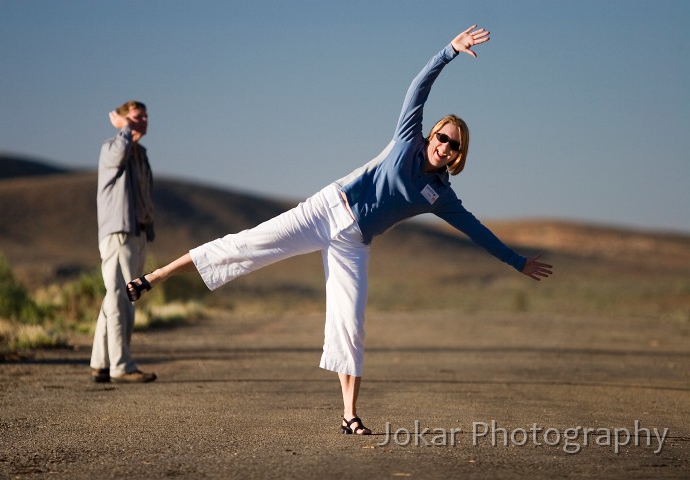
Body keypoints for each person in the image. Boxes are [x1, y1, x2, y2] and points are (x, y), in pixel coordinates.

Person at [126, 25, 553, 431]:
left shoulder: (441, 195)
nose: (444, 145)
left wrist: (517, 262)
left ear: (459, 155)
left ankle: (349, 416)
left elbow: (476, 230)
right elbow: (418, 87)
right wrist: (449, 51)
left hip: (355, 244)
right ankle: (154, 278)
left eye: (454, 144)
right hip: (326, 210)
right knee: (244, 246)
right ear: (430, 135)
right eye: (442, 136)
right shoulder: (407, 140)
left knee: (350, 323)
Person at [90, 100, 158, 384]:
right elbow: (119, 153)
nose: (142, 121)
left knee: (116, 296)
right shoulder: (113, 147)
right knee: (121, 297)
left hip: (137, 232)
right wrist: (124, 128)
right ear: (120, 120)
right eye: (134, 117)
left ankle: (101, 363)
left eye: (144, 116)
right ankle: (122, 365)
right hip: (119, 232)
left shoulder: (141, 153)